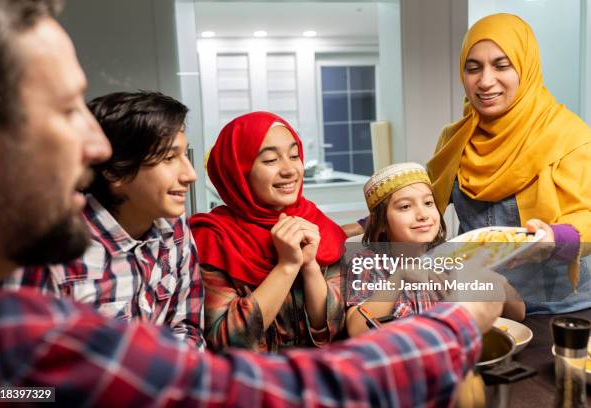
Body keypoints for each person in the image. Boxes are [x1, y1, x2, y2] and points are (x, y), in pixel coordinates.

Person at [0, 0, 505, 405]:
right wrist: (458, 322)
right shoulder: (198, 237)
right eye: (65, 110)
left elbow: (187, 345)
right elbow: (237, 376)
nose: (93, 147)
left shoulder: (172, 238)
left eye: (295, 154)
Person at [2, 91, 205, 349]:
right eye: (169, 158)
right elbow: (14, 373)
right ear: (114, 170)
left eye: (184, 156)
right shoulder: (51, 248)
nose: (190, 174)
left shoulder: (175, 228)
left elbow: (187, 326)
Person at [427, 13, 591, 314]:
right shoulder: (454, 139)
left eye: (502, 65)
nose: (486, 81)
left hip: (562, 310)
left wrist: (553, 239)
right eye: (473, 68)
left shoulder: (569, 135)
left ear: (525, 68)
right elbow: (424, 205)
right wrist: (364, 226)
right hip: (482, 307)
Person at [190, 112, 345, 352]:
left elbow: (334, 330)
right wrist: (286, 266)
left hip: (317, 376)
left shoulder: (317, 224)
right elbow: (225, 340)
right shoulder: (213, 236)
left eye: (294, 156)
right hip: (251, 381)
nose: (290, 170)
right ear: (239, 171)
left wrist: (310, 266)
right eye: (271, 160)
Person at [345, 163, 525, 337]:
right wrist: (399, 277)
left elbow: (517, 315)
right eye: (405, 206)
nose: (423, 215)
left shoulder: (456, 255)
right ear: (382, 222)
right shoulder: (368, 263)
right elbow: (356, 330)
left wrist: (495, 280)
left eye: (428, 203)